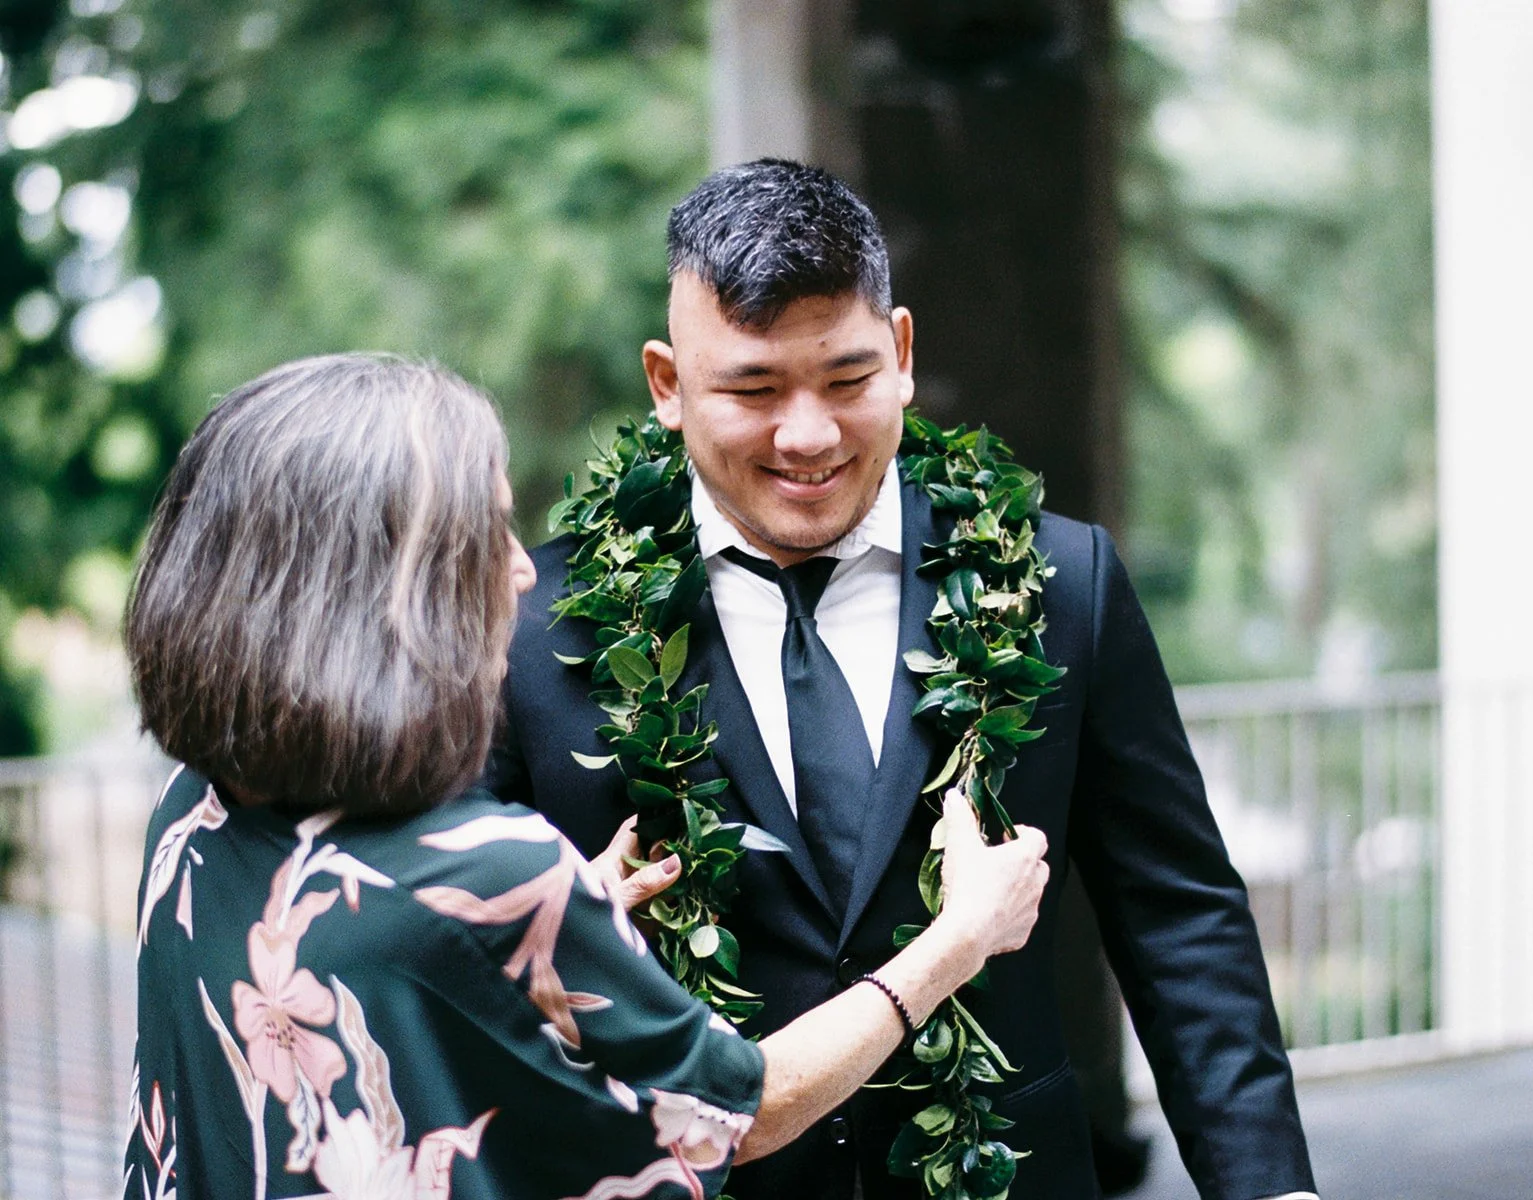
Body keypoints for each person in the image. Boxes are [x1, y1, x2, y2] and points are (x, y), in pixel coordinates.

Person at [490, 160, 1321, 1200]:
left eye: (846, 379)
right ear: (666, 384)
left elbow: (1178, 914)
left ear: (904, 353)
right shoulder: (533, 631)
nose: (808, 434)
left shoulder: (1063, 585)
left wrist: (1270, 1187)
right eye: (751, 388)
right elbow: (451, 965)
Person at [120, 353, 1049, 1200]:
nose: (524, 573)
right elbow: (744, 1115)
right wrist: (961, 938)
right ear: (383, 592)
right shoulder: (494, 867)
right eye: (486, 535)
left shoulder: (187, 814)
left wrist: (522, 938)